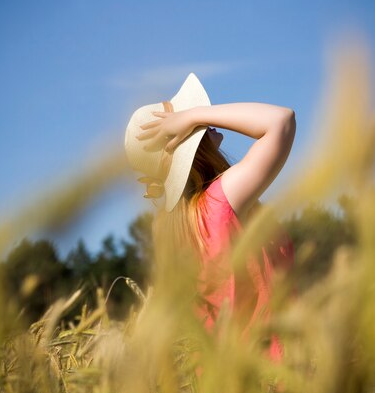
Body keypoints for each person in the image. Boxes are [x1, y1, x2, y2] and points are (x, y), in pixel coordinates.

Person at [124, 72, 296, 365]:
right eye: (188, 122)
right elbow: (282, 121)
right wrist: (195, 115)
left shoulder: (179, 224)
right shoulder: (220, 199)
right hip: (272, 373)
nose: (202, 120)